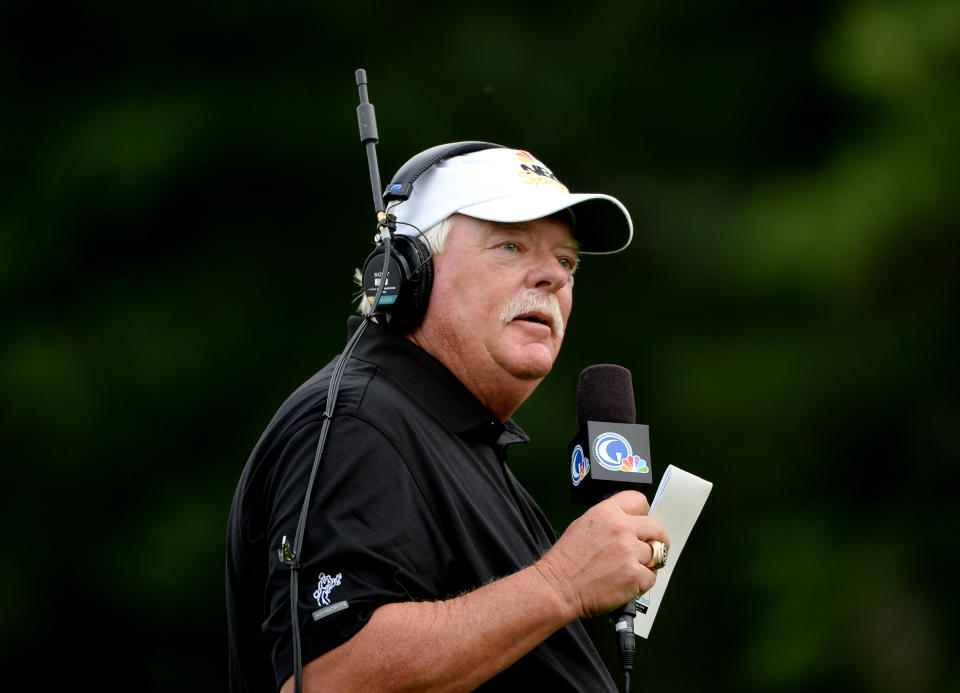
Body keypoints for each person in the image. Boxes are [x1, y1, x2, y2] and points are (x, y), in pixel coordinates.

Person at [226, 144, 670, 692]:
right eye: (511, 245)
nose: (551, 277)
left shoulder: (451, 436)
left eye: (566, 260)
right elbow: (329, 677)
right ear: (408, 274)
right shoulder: (359, 425)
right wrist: (561, 584)